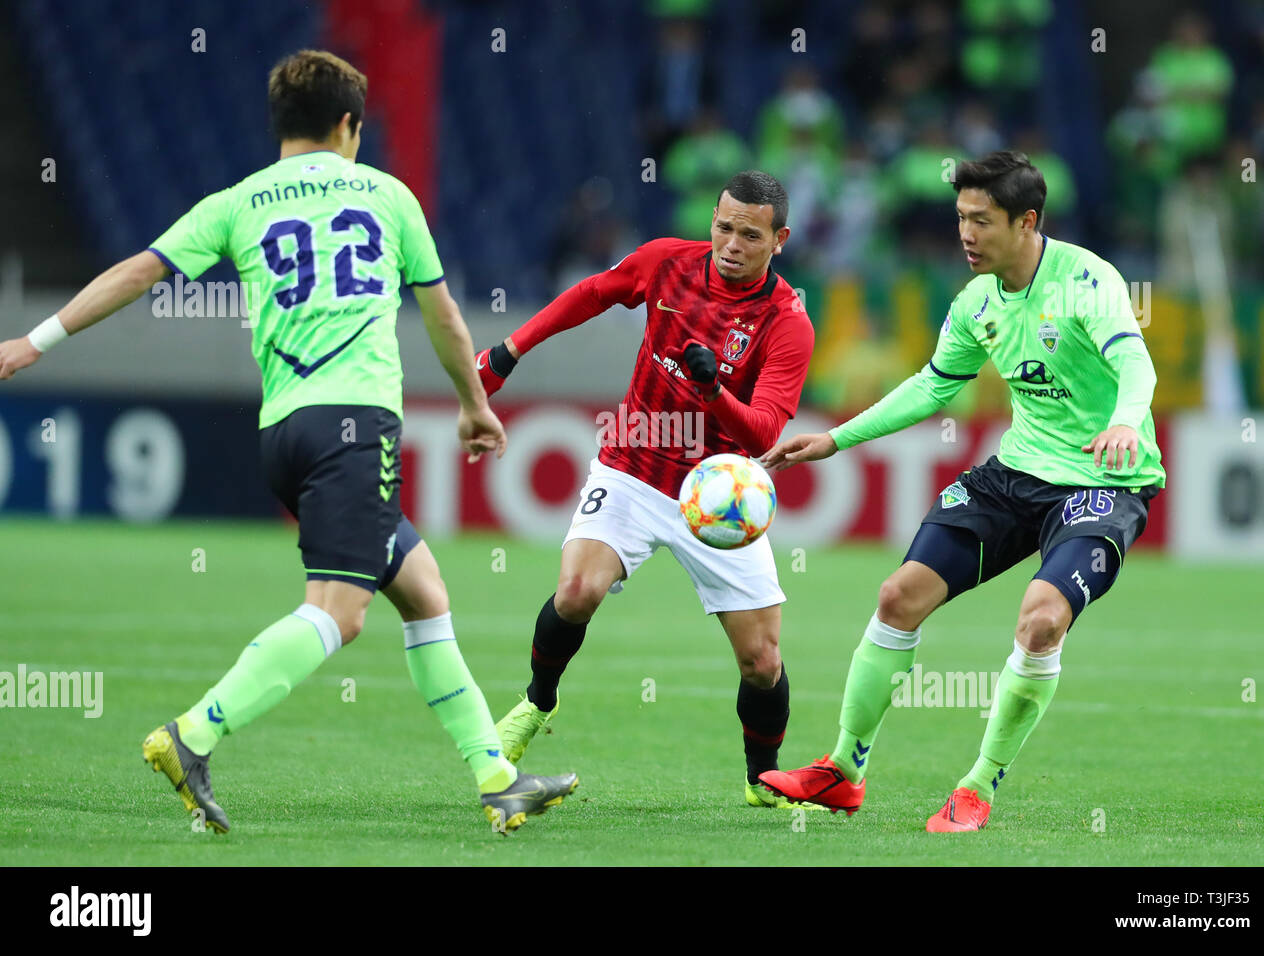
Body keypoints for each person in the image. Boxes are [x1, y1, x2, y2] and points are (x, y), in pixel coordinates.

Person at [0, 49, 577, 835]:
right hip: (355, 426)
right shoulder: (385, 195)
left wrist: (36, 340)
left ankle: (495, 774)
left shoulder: (238, 201)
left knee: (424, 592)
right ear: (348, 125)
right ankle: (195, 732)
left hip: (284, 432)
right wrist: (476, 406)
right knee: (339, 614)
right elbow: (442, 316)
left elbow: (140, 272)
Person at [758, 151, 1164, 831]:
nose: (966, 233)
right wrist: (834, 439)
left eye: (982, 219)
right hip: (1016, 473)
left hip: (1104, 480)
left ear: (1027, 221)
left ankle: (978, 786)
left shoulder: (1087, 280)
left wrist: (1125, 421)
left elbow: (1134, 361)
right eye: (960, 218)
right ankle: (843, 771)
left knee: (1040, 620)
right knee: (898, 595)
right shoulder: (977, 301)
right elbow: (935, 385)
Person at [475, 170, 818, 808]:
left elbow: (768, 427)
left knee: (762, 662)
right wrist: (510, 348)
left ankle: (761, 777)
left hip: (718, 493)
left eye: (750, 234)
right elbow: (593, 293)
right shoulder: (665, 264)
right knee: (576, 592)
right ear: (711, 222)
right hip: (632, 465)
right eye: (723, 228)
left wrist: (714, 391)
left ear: (780, 240)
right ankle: (536, 702)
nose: (731, 244)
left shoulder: (788, 321)